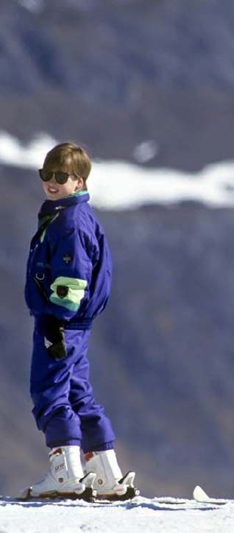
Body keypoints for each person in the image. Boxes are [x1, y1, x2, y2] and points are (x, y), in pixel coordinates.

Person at [22, 142, 137, 500]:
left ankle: (66, 473)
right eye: (46, 175)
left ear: (80, 180)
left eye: (61, 176)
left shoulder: (70, 222)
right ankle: (105, 472)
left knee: (50, 391)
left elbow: (73, 276)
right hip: (75, 326)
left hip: (61, 324)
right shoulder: (68, 215)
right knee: (78, 393)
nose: (52, 182)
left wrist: (56, 321)